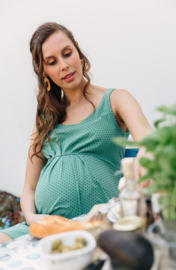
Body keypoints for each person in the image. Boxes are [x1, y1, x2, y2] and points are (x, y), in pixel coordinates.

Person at [0, 22, 152, 243]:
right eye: (52, 62)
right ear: (45, 73)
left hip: (98, 220)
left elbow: (150, 143)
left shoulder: (117, 100)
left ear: (78, 52)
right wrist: (33, 219)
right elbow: (29, 188)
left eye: (67, 54)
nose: (64, 65)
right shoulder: (44, 118)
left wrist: (147, 159)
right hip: (48, 226)